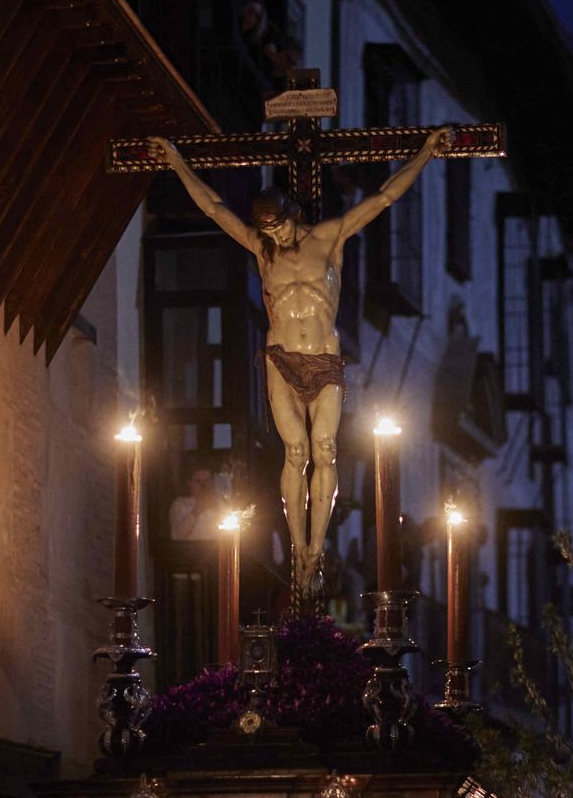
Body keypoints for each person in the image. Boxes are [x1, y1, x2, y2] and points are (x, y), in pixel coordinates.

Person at [152, 126, 453, 596]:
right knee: (295, 452)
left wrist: (427, 152)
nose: (274, 236)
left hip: (325, 359)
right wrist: (175, 160)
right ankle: (300, 552)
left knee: (325, 451)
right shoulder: (262, 249)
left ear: (293, 215)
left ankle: (319, 544)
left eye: (279, 227)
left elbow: (384, 197)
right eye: (268, 230)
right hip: (281, 359)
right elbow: (213, 207)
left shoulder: (330, 238)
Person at [167, 463, 220, 541]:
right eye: (198, 481)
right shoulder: (179, 504)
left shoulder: (220, 503)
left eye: (206, 481)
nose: (203, 486)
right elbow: (176, 536)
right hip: (189, 551)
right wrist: (196, 512)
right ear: (189, 483)